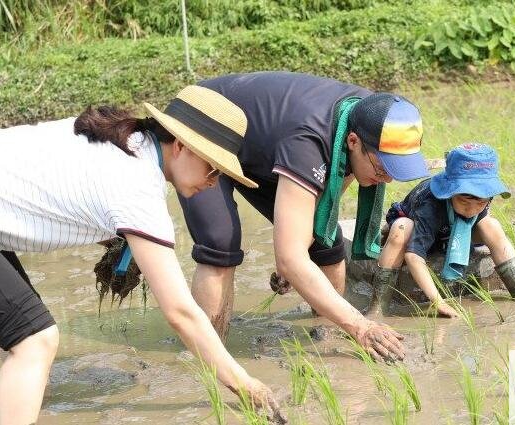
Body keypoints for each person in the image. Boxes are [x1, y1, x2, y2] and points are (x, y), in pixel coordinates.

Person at [0, 86, 284, 424]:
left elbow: (60, 195)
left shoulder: (125, 141)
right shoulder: (138, 187)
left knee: (15, 334)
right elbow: (181, 312)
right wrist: (243, 383)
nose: (214, 182)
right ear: (180, 146)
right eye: (213, 168)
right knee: (35, 341)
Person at [174, 71, 430, 362]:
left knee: (326, 244)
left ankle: (326, 343)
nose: (387, 179)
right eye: (382, 168)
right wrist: (360, 325)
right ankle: (207, 358)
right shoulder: (310, 141)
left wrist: (295, 254)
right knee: (220, 243)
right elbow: (291, 257)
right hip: (205, 123)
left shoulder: (369, 115)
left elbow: (326, 203)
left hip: (265, 144)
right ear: (354, 142)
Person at [368, 143, 515, 317]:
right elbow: (413, 256)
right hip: (419, 230)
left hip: (451, 233)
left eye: (480, 203)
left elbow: (482, 218)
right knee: (401, 228)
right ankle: (378, 307)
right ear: (449, 192)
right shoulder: (430, 205)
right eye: (464, 202)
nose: (471, 210)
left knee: (492, 225)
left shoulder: (483, 200)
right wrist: (438, 302)